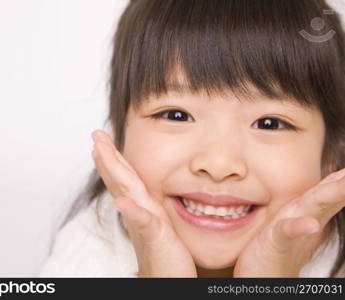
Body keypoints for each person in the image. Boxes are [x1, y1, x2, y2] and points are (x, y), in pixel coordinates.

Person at [39, 0, 345, 277]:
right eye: (176, 115)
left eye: (269, 123)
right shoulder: (87, 254)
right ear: (120, 135)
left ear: (332, 151)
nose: (218, 164)